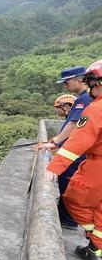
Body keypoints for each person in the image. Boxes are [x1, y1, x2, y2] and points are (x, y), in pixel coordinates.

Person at [45, 60, 102, 260]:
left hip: (97, 165)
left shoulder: (94, 107)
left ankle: (92, 238)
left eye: (91, 82)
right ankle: (95, 247)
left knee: (74, 199)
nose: (89, 87)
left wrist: (53, 166)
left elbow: (78, 140)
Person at [42, 67, 93, 229]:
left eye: (67, 82)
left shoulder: (84, 99)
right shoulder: (86, 98)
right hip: (78, 153)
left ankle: (68, 220)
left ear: (80, 80)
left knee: (68, 184)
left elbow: (73, 125)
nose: (65, 85)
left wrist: (55, 141)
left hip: (76, 155)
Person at [47, 94, 78, 229]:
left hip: (72, 161)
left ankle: (68, 221)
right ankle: (65, 218)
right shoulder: (70, 120)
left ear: (66, 107)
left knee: (68, 190)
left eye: (57, 108)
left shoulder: (74, 122)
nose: (56, 111)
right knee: (64, 189)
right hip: (70, 159)